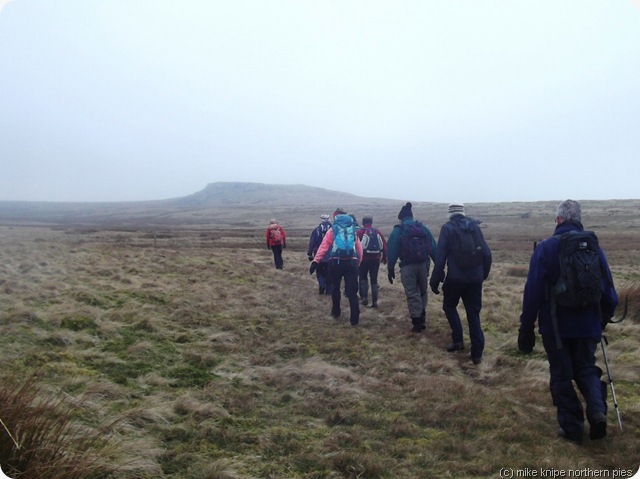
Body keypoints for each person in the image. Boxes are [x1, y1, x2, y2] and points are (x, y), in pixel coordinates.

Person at [518, 199, 618, 443]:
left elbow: (532, 291)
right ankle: (597, 411)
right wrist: (602, 319)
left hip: (556, 328)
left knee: (562, 375)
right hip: (588, 326)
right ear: (579, 219)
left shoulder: (545, 248)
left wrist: (526, 327)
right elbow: (610, 292)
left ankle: (572, 428)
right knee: (586, 368)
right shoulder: (593, 247)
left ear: (558, 219)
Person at [429, 203, 492, 365]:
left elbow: (440, 256)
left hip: (456, 278)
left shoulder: (448, 228)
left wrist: (435, 280)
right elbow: (486, 253)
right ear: (463, 213)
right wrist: (482, 275)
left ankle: (458, 341)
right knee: (473, 313)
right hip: (475, 279)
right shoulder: (475, 227)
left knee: (449, 306)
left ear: (449, 214)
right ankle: (477, 353)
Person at [387, 202, 437, 332]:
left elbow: (392, 250)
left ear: (401, 218)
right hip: (423, 264)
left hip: (407, 266)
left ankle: (417, 321)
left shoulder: (398, 230)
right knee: (422, 291)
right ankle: (422, 315)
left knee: (412, 292)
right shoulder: (423, 228)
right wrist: (439, 265)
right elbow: (433, 247)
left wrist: (390, 268)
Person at [310, 208, 363, 326]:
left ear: (335, 216)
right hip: (351, 262)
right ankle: (354, 318)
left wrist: (315, 261)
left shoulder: (333, 229)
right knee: (352, 291)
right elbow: (359, 248)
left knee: (335, 288)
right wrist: (358, 262)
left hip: (336, 263)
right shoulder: (352, 229)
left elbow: (324, 247)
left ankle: (336, 312)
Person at [356, 215, 387, 307]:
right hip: (375, 259)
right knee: (374, 280)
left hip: (363, 259)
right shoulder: (377, 231)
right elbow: (384, 245)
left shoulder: (360, 232)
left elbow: (356, 246)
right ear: (371, 222)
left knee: (363, 278)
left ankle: (364, 298)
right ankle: (375, 302)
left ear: (363, 223)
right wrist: (384, 257)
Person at [307, 214, 333, 294]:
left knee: (319, 272)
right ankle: (329, 291)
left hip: (318, 255)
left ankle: (321, 285)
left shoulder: (316, 230)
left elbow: (312, 242)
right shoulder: (333, 230)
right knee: (329, 273)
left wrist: (310, 254)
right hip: (330, 256)